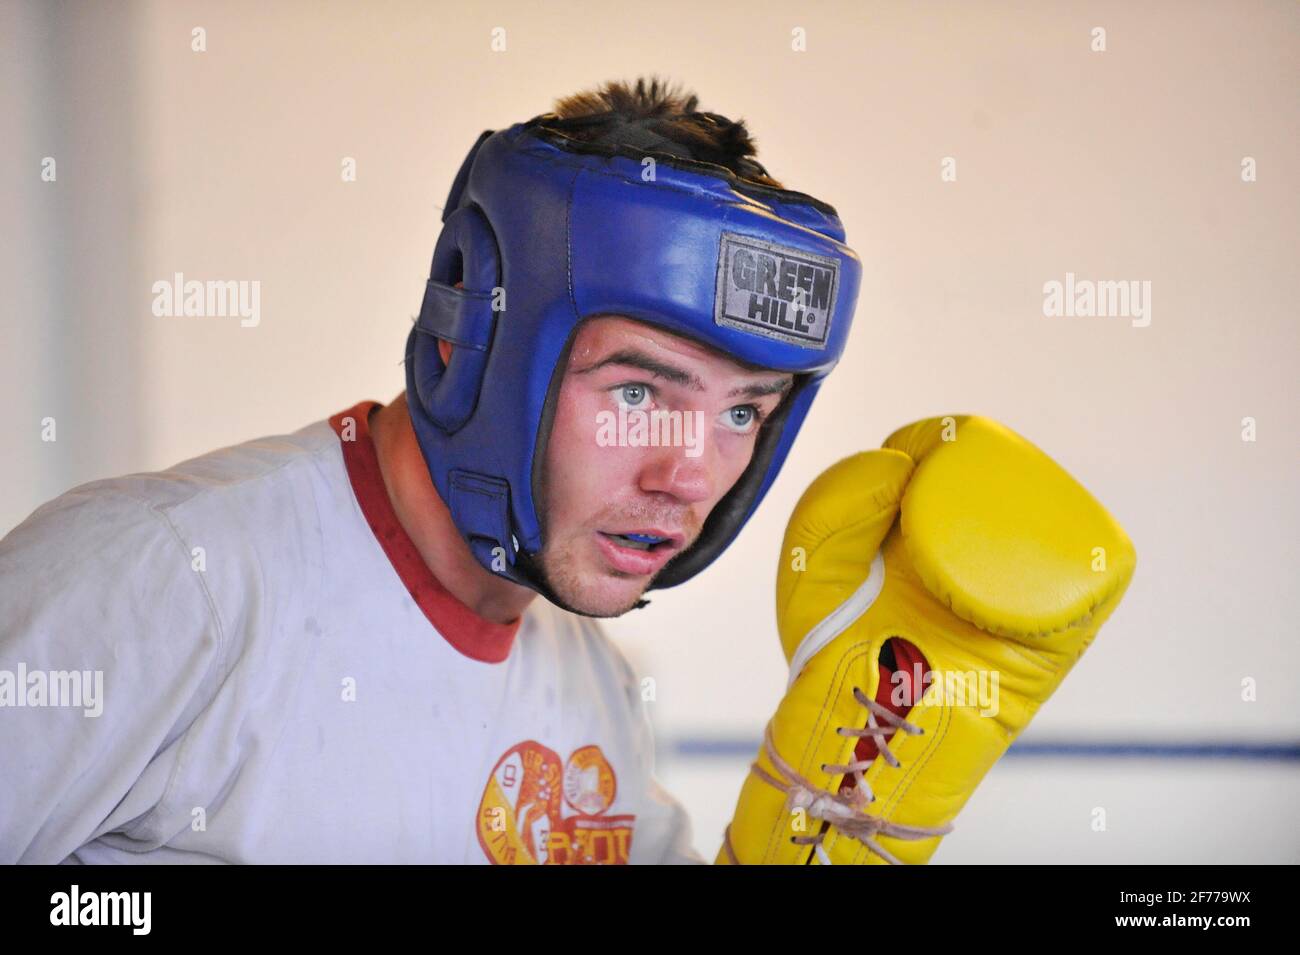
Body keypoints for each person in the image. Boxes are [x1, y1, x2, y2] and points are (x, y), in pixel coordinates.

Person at [0, 77, 863, 864]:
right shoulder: (167, 580)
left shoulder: (589, 681)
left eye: (743, 411)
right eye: (638, 390)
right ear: (473, 342)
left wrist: (842, 796)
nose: (690, 475)